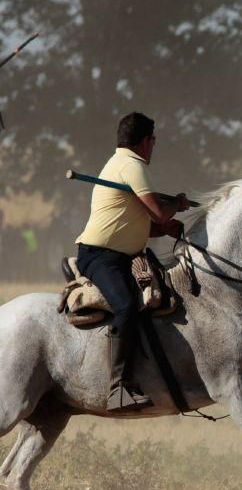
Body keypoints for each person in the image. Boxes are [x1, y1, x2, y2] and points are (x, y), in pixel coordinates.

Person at [75, 112, 190, 412]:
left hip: (118, 255)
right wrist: (177, 203)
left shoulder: (119, 163)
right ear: (146, 141)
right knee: (126, 305)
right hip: (101, 257)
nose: (154, 147)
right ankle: (118, 387)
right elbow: (159, 212)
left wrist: (164, 229)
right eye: (154, 141)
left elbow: (139, 225)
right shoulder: (132, 165)